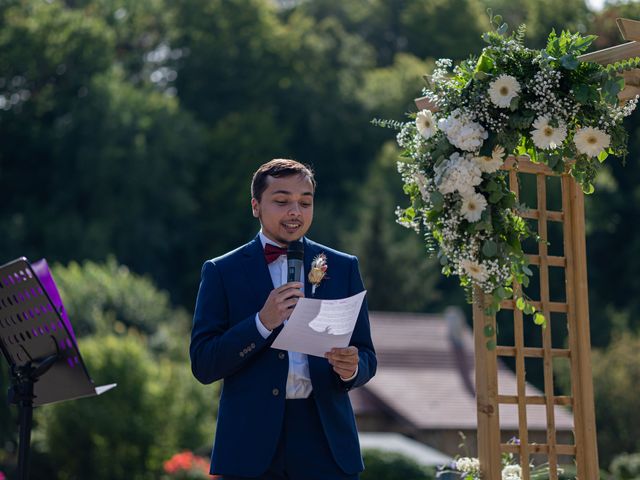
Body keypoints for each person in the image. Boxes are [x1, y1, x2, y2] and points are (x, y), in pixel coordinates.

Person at [190, 159, 377, 480]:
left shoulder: (343, 267)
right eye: (281, 201)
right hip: (250, 445)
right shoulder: (222, 271)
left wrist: (353, 367)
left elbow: (367, 355)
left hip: (326, 441)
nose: (295, 211)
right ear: (255, 206)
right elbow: (204, 364)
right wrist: (262, 322)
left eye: (305, 202)